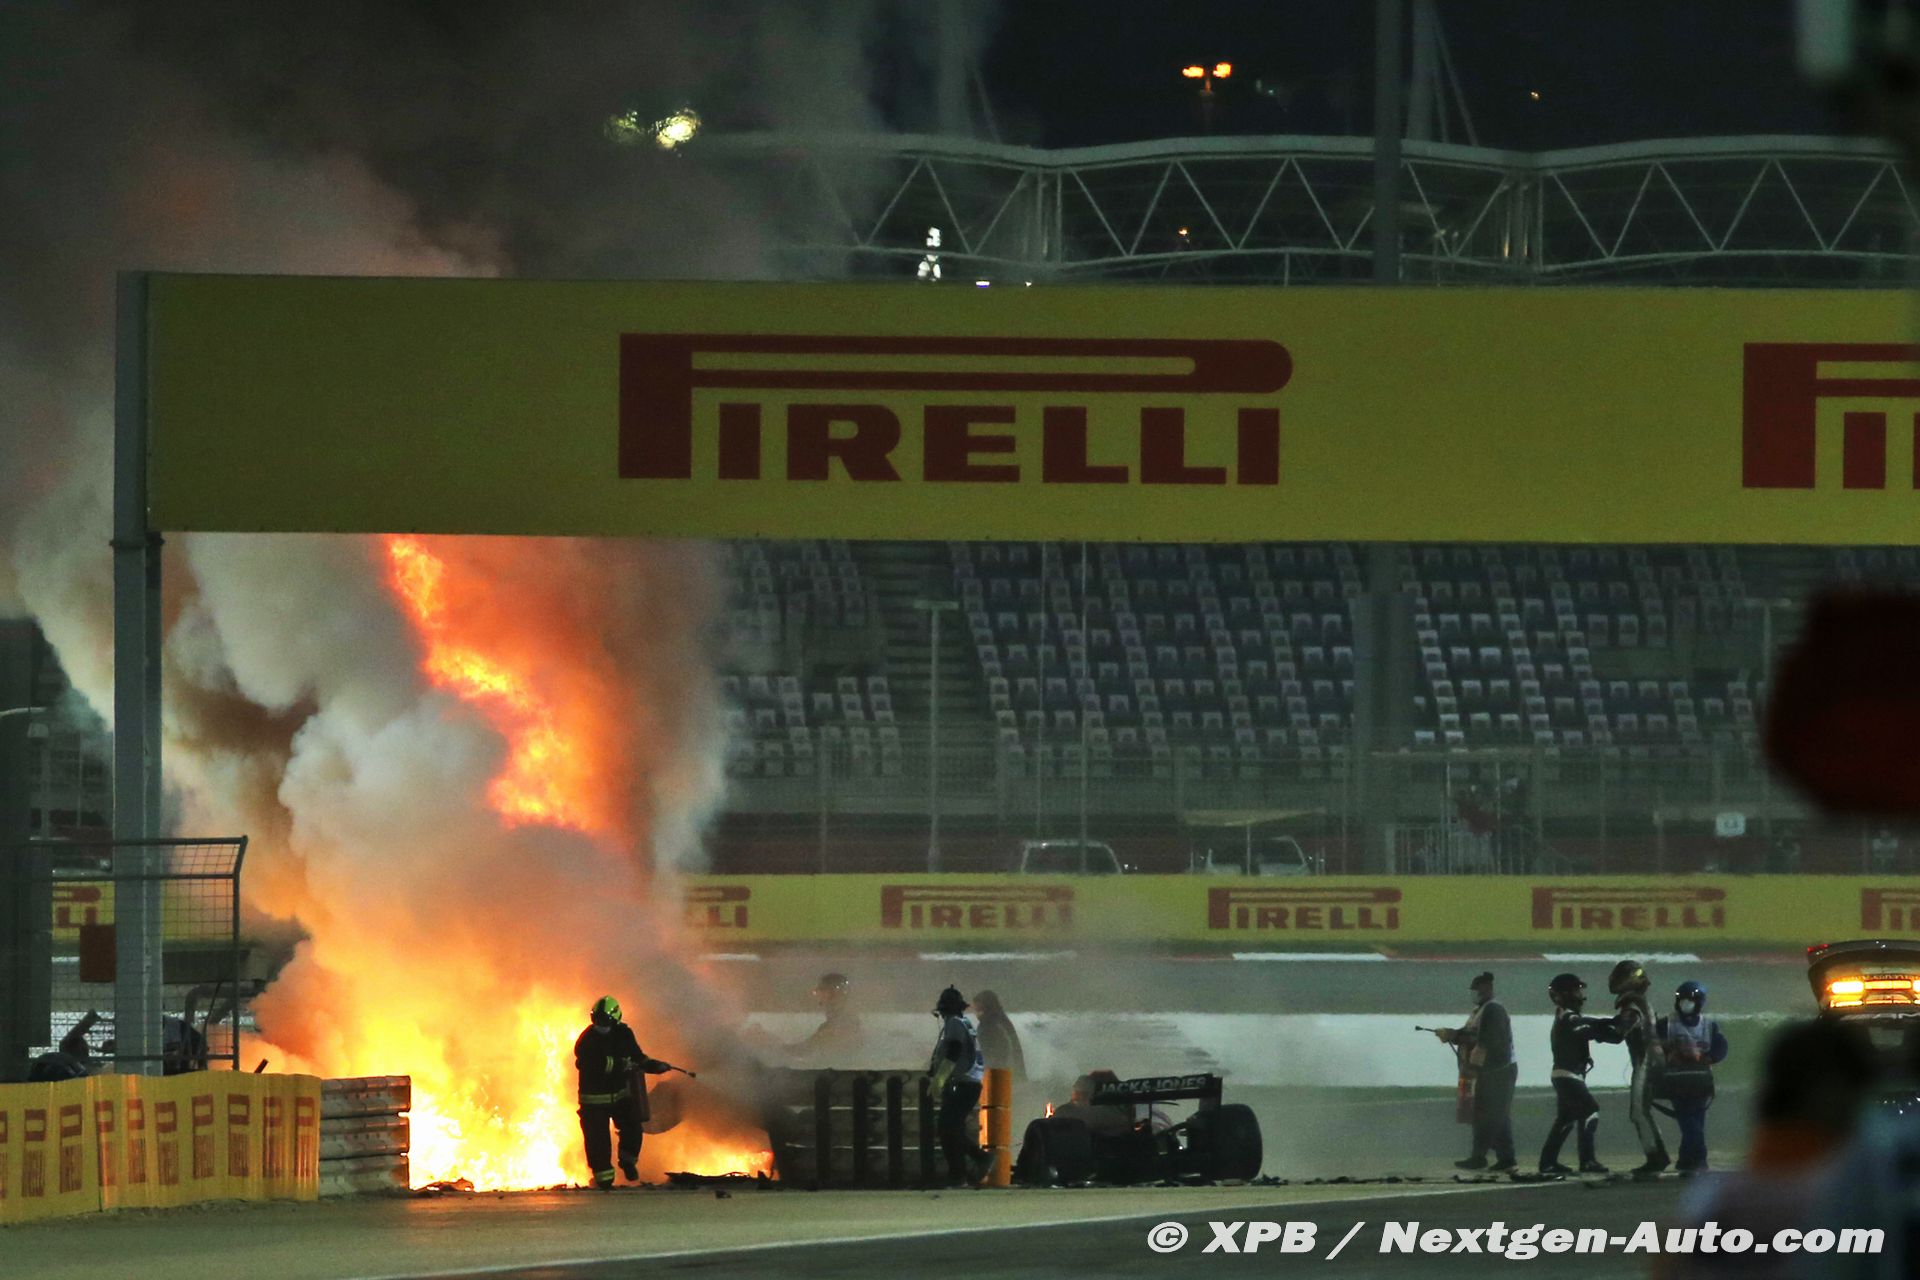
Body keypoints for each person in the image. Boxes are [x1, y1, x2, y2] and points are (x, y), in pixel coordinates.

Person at [573, 995, 672, 1189]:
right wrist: (619, 1064)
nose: (600, 1025)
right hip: (594, 1101)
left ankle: (628, 1161)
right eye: (597, 1020)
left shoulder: (624, 1034)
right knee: (598, 1142)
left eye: (604, 1020)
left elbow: (636, 1056)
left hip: (619, 1096)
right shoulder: (587, 1040)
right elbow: (587, 1064)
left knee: (633, 1128)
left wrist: (652, 1065)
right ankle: (604, 1180)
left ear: (615, 1018)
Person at [1434, 971, 1516, 1172]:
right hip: (1492, 1070)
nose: (1475, 993)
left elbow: (1485, 1041)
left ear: (1487, 989)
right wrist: (1453, 1034)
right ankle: (1505, 1157)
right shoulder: (1481, 1011)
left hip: (1496, 1071)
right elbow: (1470, 1034)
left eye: (1477, 990)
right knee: (1496, 1114)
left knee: (1486, 1114)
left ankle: (1480, 1156)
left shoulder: (1493, 1010)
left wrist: (1455, 1038)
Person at [1595, 959, 1671, 1175]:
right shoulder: (1640, 1002)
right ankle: (1658, 1157)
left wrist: (1594, 1033)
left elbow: (1618, 1033)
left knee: (1639, 1113)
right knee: (1641, 1112)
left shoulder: (1632, 1005)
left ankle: (1656, 1158)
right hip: (1652, 1059)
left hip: (1646, 1061)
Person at [1537, 972, 1610, 1176]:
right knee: (1590, 1110)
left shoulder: (1565, 1015)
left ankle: (1548, 1162)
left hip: (1564, 1074)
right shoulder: (1568, 1016)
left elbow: (1586, 1026)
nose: (1581, 995)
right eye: (1577, 990)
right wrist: (1611, 1026)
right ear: (1566, 994)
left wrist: (1606, 1024)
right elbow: (1585, 1028)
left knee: (1566, 1118)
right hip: (1568, 1075)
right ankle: (1587, 1160)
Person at [1653, 979, 1728, 1174]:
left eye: (1690, 1000)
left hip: (1700, 1081)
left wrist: (1706, 1057)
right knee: (1689, 1121)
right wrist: (1674, 1052)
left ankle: (1686, 1160)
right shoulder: (1666, 1024)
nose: (1685, 1003)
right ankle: (1698, 1158)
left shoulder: (1709, 1026)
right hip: (1676, 1081)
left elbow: (1721, 1047)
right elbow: (1655, 1046)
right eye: (1682, 999)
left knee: (1695, 1120)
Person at [926, 985, 987, 1187]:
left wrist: (939, 1079)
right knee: (953, 1129)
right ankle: (968, 1167)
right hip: (970, 1083)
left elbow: (954, 1050)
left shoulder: (953, 1024)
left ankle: (962, 1171)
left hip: (961, 1084)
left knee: (948, 1130)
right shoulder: (965, 1023)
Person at [791, 972, 862, 1063]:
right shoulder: (845, 1022)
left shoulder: (841, 1026)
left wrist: (778, 1048)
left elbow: (807, 1051)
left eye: (820, 990)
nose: (816, 994)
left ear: (833, 994)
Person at [971, 989, 1025, 1082]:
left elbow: (992, 1056)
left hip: (1000, 1078)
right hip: (1013, 1075)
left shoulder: (988, 1025)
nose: (975, 1012)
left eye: (978, 1008)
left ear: (984, 1007)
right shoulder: (1003, 1021)